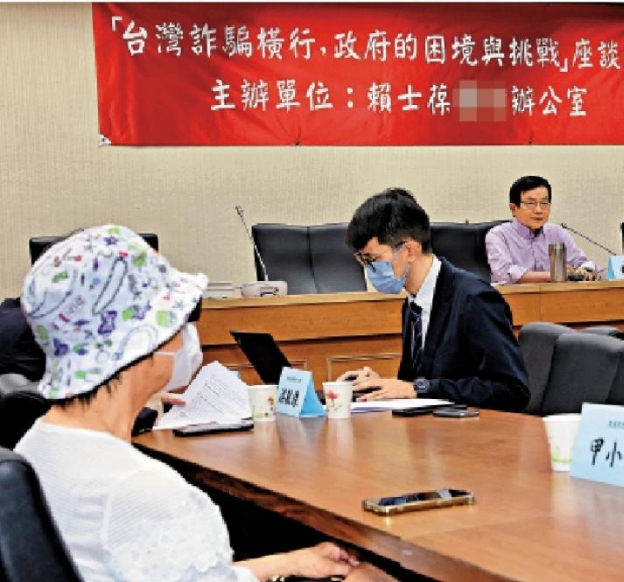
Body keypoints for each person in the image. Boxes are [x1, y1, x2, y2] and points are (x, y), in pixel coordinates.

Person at [15, 225, 390, 582]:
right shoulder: (146, 491)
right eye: (180, 318)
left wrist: (288, 563)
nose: (188, 335)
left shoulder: (33, 447)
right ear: (142, 341)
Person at [338, 188, 530, 412]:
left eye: (373, 259)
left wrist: (416, 388)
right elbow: (417, 386)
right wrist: (379, 385)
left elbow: (512, 390)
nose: (369, 269)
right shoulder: (413, 304)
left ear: (410, 250)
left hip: (472, 430)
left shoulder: (474, 299)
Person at [485, 175, 596, 284]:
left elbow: (582, 262)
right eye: (530, 203)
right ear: (513, 208)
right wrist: (554, 275)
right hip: (514, 295)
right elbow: (504, 273)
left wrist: (585, 270)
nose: (539, 210)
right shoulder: (498, 235)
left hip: (557, 295)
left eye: (544, 203)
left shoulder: (557, 233)